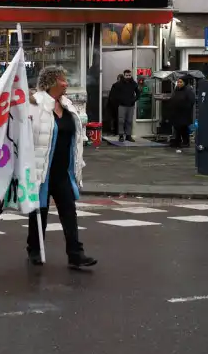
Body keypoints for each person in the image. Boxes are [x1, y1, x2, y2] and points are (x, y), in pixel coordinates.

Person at [26, 66, 96, 269]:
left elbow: (76, 139)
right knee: (39, 211)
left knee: (69, 211)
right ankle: (35, 249)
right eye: (63, 80)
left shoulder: (67, 106)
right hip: (43, 170)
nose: (67, 83)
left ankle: (76, 254)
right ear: (53, 82)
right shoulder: (36, 104)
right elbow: (26, 135)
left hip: (63, 171)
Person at [108, 70, 140, 142]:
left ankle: (128, 136)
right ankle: (121, 135)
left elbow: (138, 93)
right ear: (124, 75)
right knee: (121, 121)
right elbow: (113, 95)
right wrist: (118, 102)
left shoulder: (133, 84)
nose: (128, 77)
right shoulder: (118, 84)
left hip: (130, 105)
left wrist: (134, 100)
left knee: (129, 121)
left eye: (129, 75)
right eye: (126, 75)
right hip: (122, 105)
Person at [168, 77, 195, 149]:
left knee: (183, 128)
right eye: (178, 82)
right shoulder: (176, 90)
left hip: (184, 114)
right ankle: (178, 141)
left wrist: (184, 107)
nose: (179, 83)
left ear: (184, 83)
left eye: (181, 82)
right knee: (177, 128)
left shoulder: (188, 91)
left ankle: (186, 142)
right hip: (176, 113)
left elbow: (191, 101)